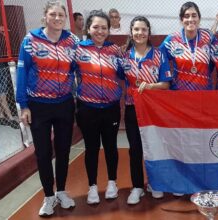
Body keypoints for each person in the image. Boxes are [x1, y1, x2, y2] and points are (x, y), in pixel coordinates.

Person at [16, 1, 78, 216]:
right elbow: (22, 72)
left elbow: (82, 67)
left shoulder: (73, 41)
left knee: (63, 151)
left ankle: (61, 191)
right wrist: (23, 105)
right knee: (43, 153)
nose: (58, 18)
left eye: (61, 14)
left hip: (64, 104)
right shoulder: (30, 39)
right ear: (45, 17)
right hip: (38, 106)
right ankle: (48, 197)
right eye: (53, 14)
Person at [74, 10, 124, 205]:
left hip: (111, 107)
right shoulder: (78, 50)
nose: (100, 31)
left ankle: (112, 183)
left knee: (111, 147)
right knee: (91, 148)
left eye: (104, 27)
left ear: (108, 30)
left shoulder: (114, 50)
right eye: (96, 27)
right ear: (88, 28)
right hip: (87, 108)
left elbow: (123, 74)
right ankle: (92, 186)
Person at [122, 16, 172, 204]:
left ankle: (155, 183)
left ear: (149, 32)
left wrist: (150, 86)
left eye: (144, 30)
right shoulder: (124, 56)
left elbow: (166, 84)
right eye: (136, 29)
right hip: (132, 109)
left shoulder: (159, 55)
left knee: (155, 148)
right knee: (135, 149)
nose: (140, 33)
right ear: (131, 32)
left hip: (154, 111)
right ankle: (137, 187)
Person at [160, 1, 213, 91]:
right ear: (181, 20)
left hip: (204, 94)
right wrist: (166, 78)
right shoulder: (172, 39)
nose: (190, 19)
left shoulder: (208, 36)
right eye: (186, 16)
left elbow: (217, 56)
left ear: (199, 19)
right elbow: (158, 57)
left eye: (194, 15)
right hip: (180, 94)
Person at [0, 19, 19, 129]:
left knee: (2, 92)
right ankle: (10, 118)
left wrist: (2, 33)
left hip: (2, 65)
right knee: (1, 94)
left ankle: (2, 117)